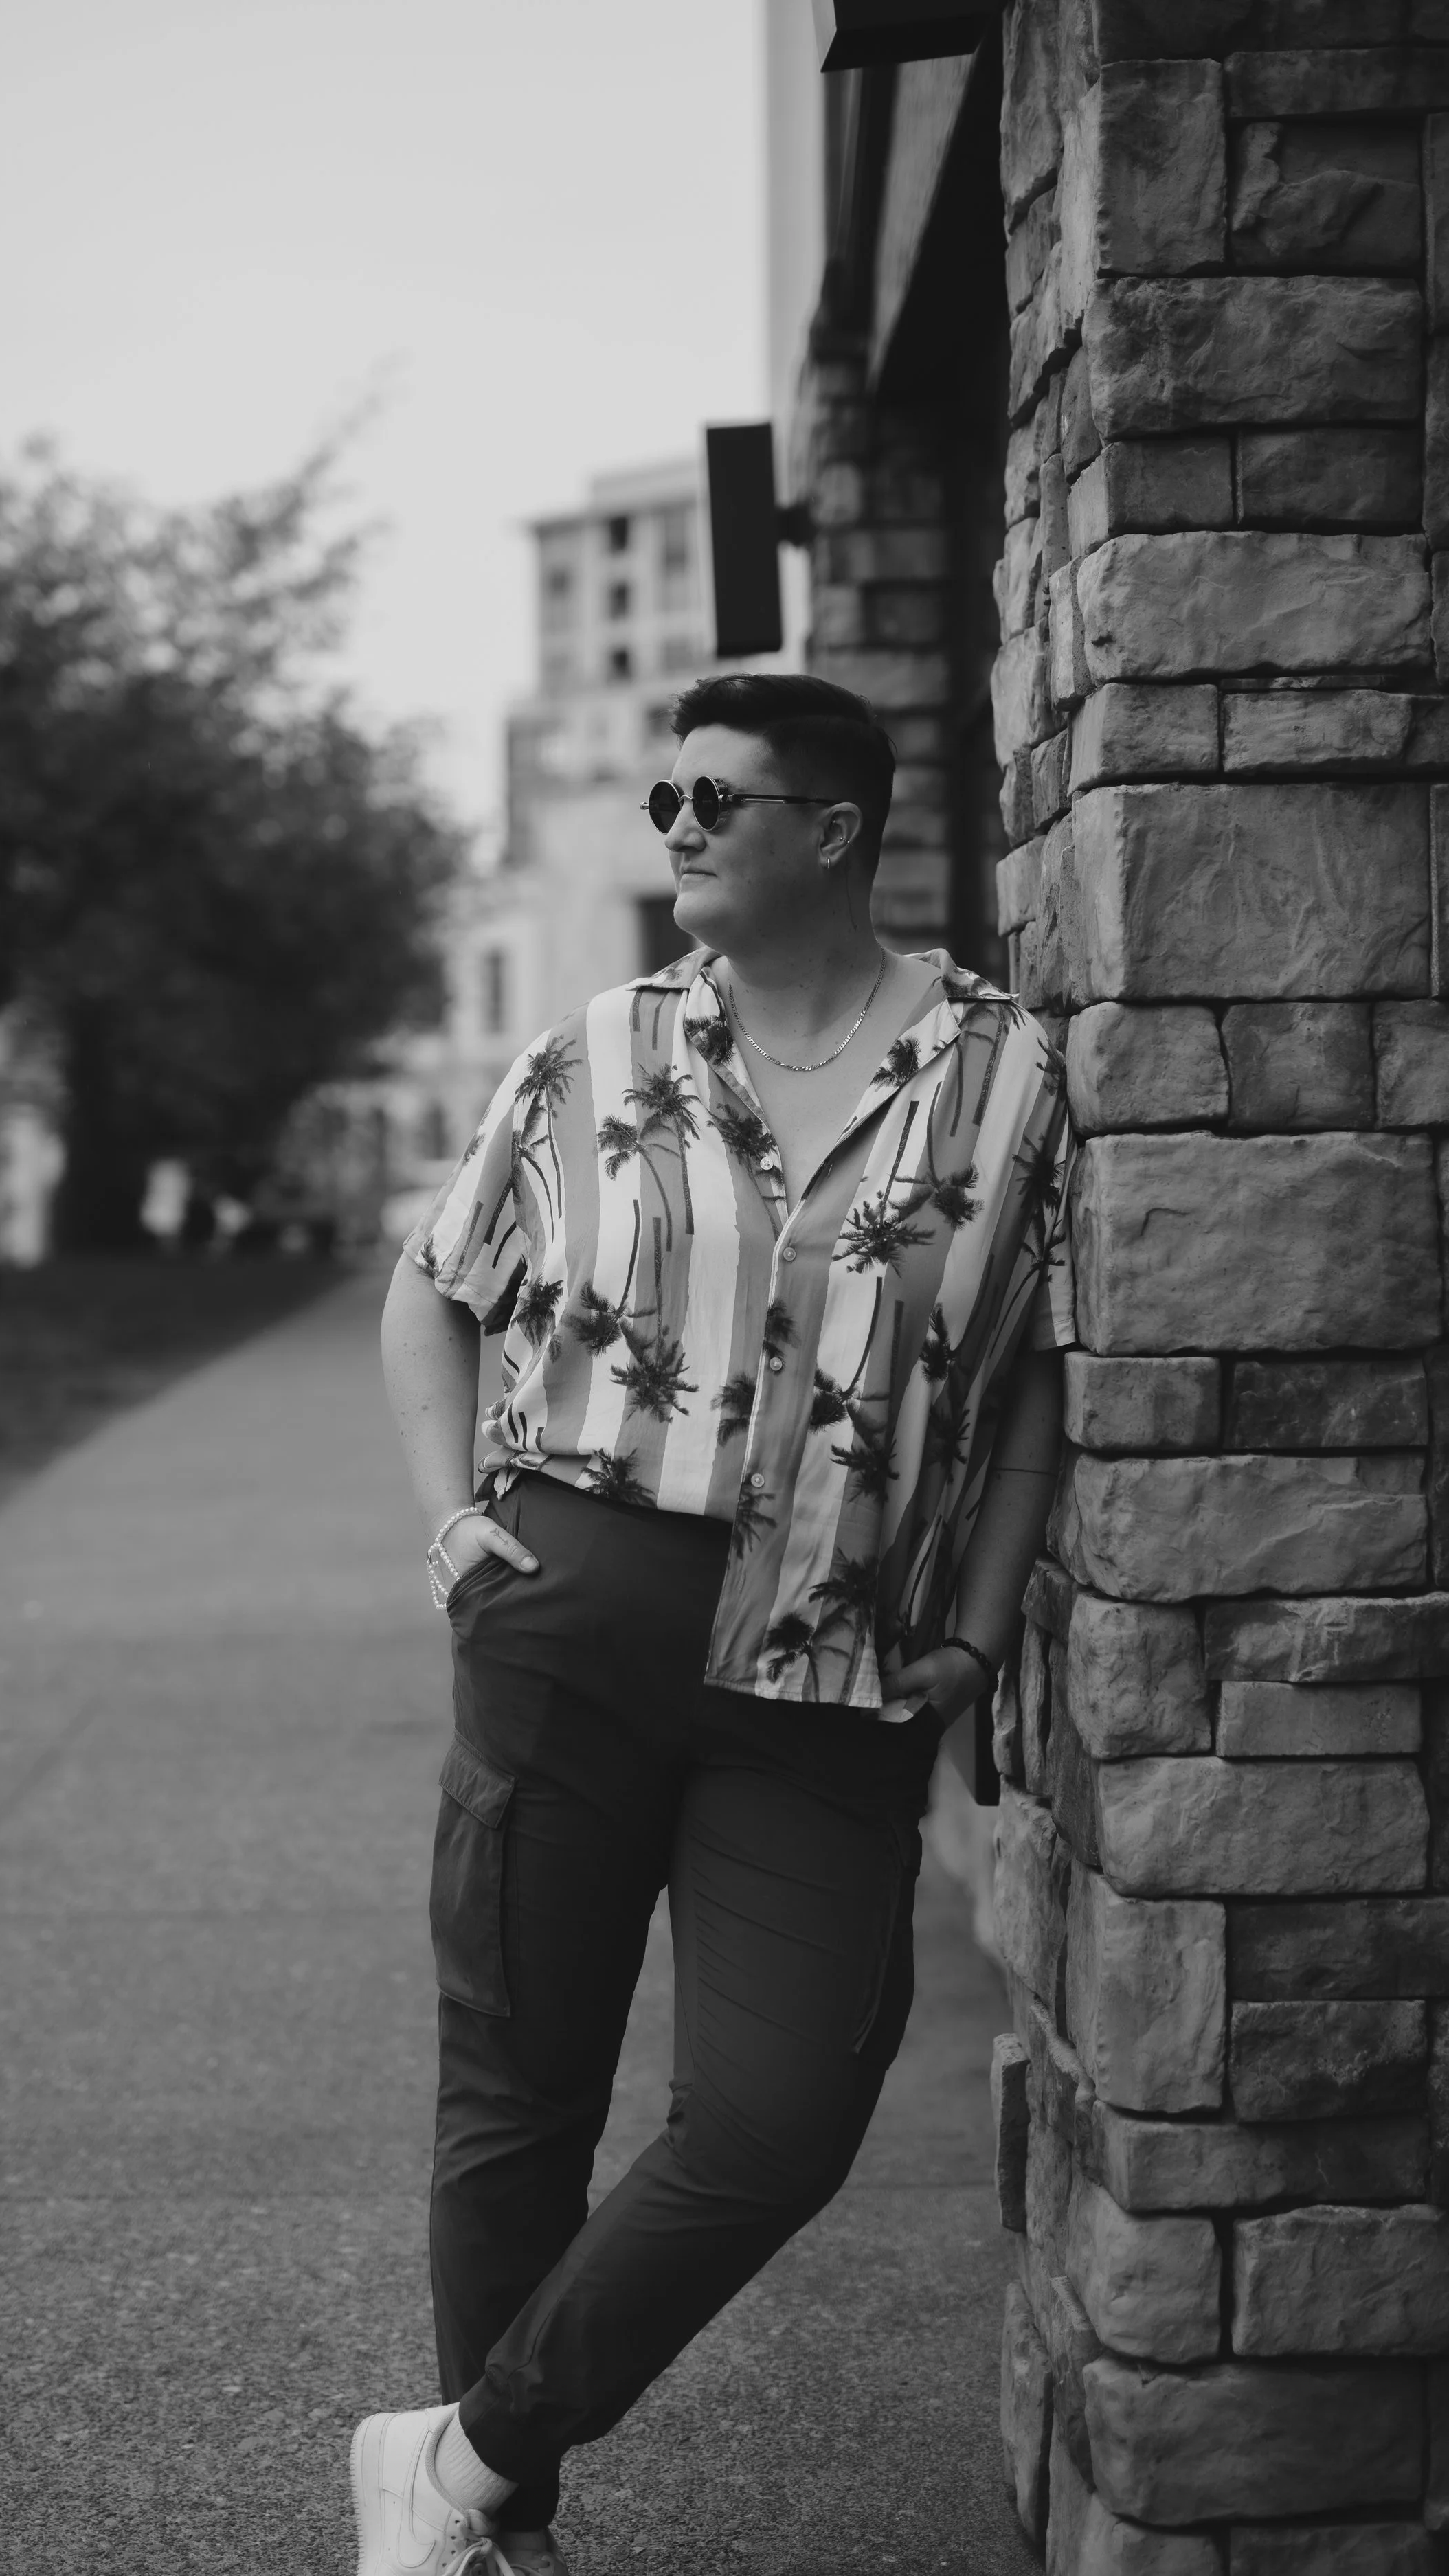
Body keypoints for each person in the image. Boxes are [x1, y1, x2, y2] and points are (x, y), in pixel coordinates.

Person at [359, 671, 1072, 2576]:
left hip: (831, 1659)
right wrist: (451, 1525)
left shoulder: (1006, 1073)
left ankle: (460, 2454)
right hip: (570, 1610)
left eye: (712, 798)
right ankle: (497, 2529)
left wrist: (977, 1633)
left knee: (781, 2114)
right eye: (664, 796)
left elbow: (1027, 1384)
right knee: (521, 2090)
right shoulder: (597, 1051)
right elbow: (432, 1284)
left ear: (833, 832)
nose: (673, 824)